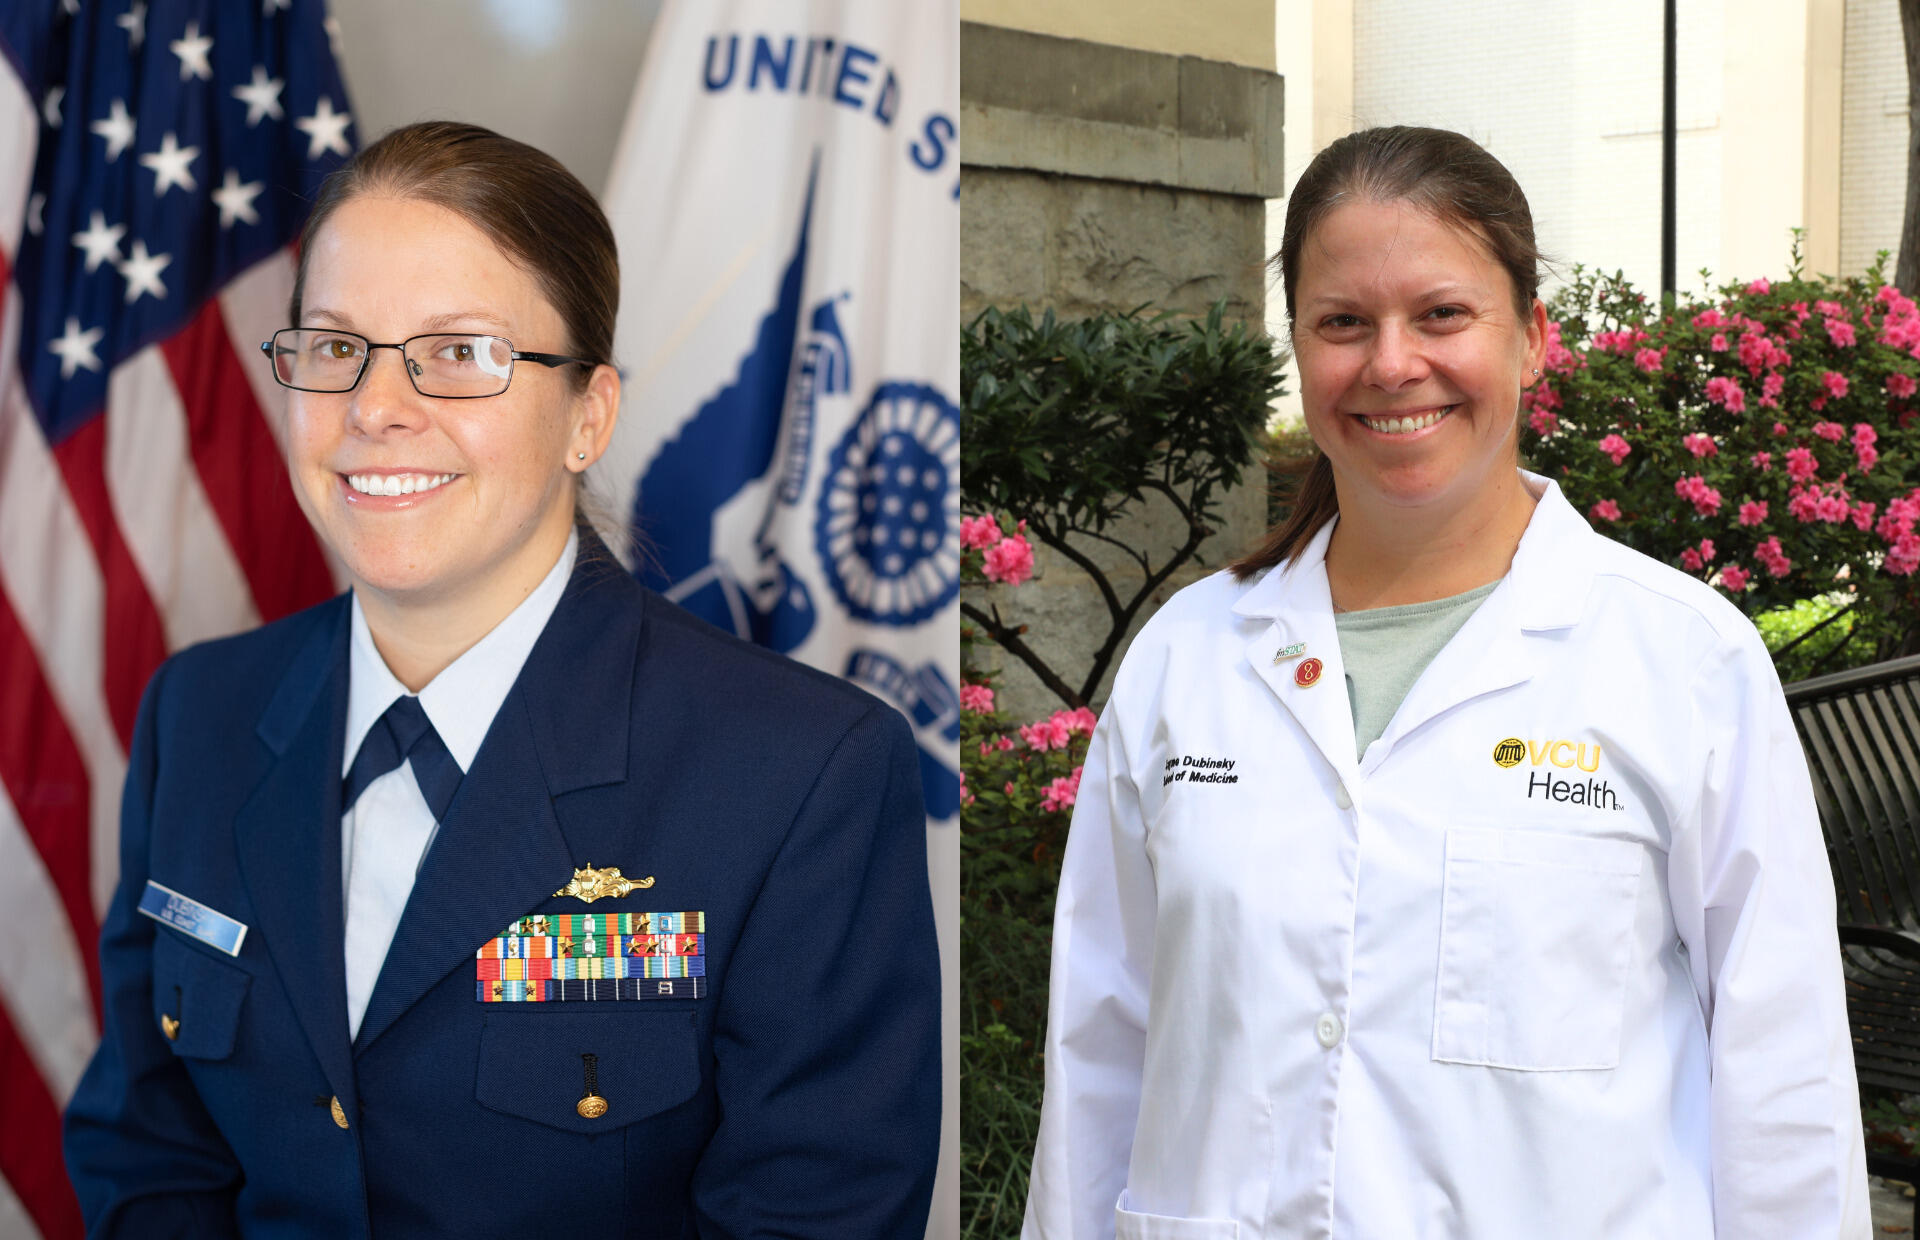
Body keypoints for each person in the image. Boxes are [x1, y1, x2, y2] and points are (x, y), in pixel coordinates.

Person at [63, 121, 941, 1239]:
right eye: (335, 347)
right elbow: (148, 1147)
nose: (376, 408)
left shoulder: (800, 773)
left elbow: (816, 1215)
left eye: (461, 352)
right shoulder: (201, 715)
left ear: (589, 415)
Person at [1022, 126, 1869, 1239]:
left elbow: (1783, 1083)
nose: (1390, 363)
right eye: (1342, 323)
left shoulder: (1685, 662)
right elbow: (1101, 1044)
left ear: (1531, 339)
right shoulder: (1190, 655)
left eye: (1441, 314)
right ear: (1299, 351)